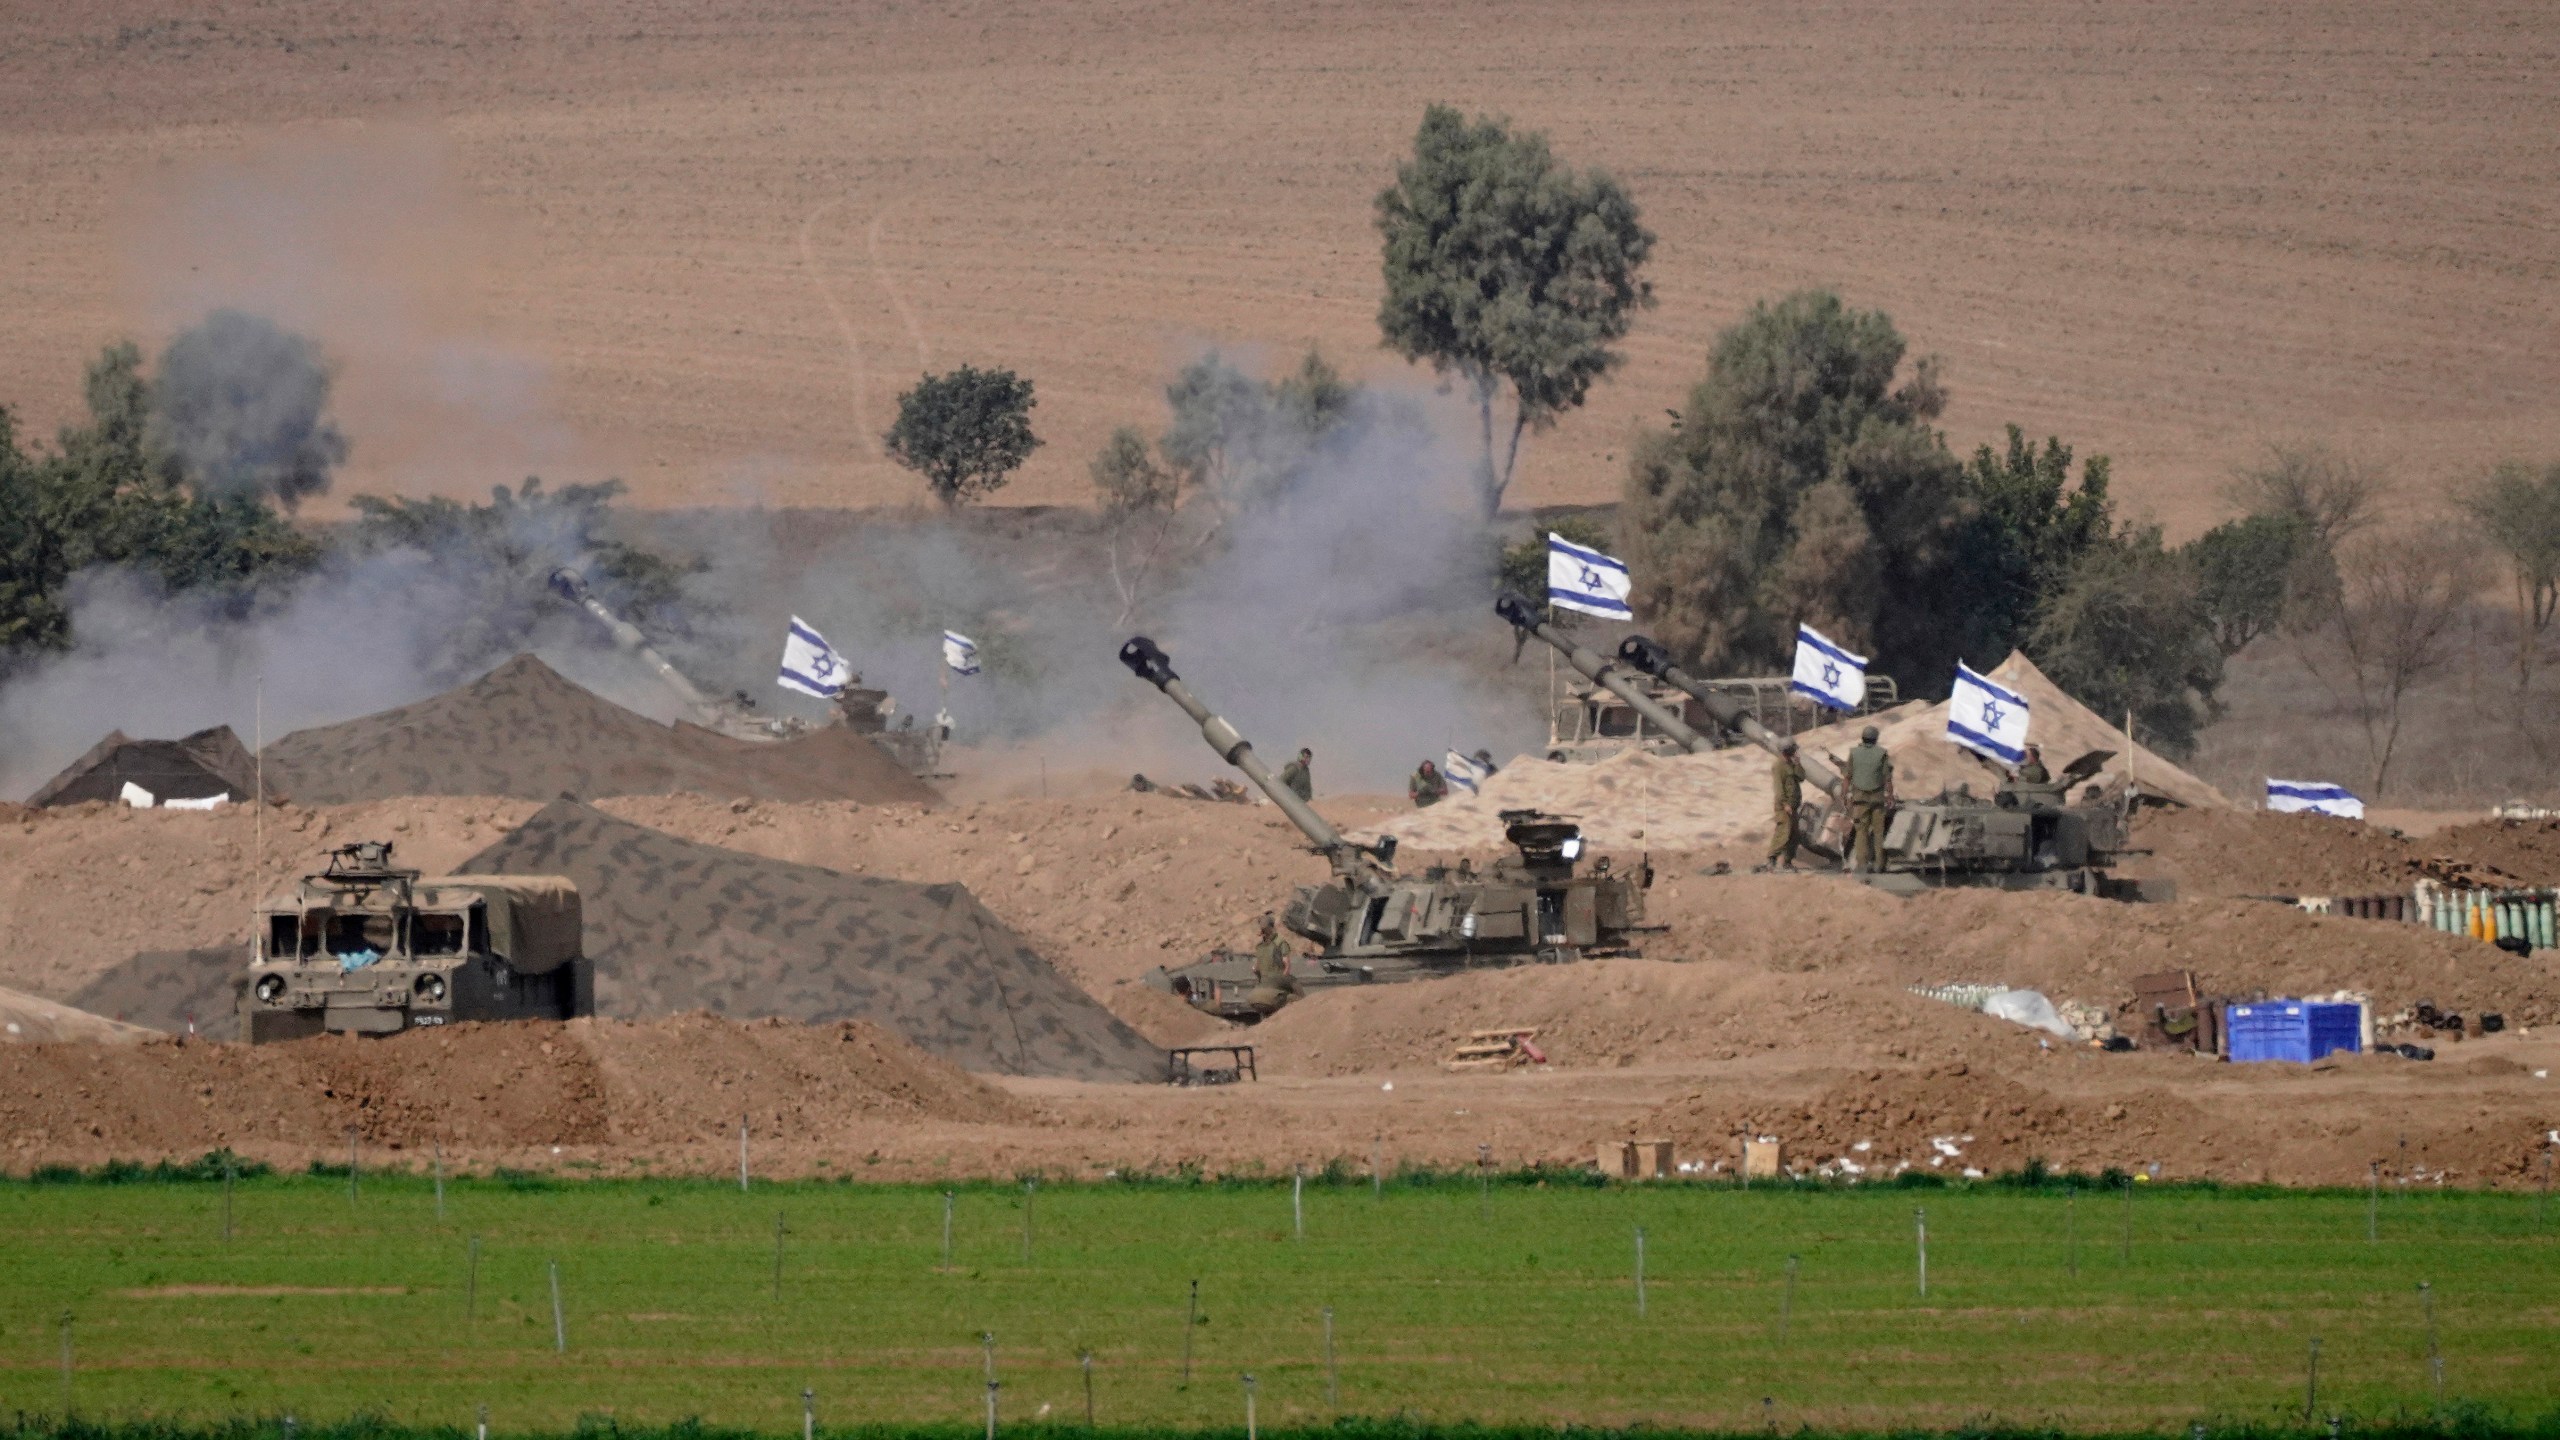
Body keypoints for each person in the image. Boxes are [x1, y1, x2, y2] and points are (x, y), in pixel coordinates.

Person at [1844, 723, 1894, 873]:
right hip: (1878, 799)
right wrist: (1890, 796)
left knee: (1861, 832)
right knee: (1879, 833)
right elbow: (1887, 779)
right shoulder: (1882, 753)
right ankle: (1879, 864)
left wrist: (1845, 796)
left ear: (1863, 738)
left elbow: (1847, 777)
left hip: (1859, 799)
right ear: (1876, 739)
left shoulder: (1853, 753)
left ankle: (1862, 864)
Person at [1763, 738, 1806, 871]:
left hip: (1793, 806)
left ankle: (1787, 861)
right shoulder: (1778, 766)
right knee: (1783, 832)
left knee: (1794, 835)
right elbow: (1778, 788)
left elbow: (1801, 777)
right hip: (1784, 806)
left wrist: (1798, 764)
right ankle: (1771, 859)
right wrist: (1785, 804)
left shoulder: (1791, 764)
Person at [1248, 911, 1299, 1012]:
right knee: (1297, 996)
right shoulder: (1280, 943)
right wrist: (1283, 978)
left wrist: (1262, 979)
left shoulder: (1260, 947)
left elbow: (1255, 969)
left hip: (1261, 986)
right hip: (1277, 982)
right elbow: (1287, 964)